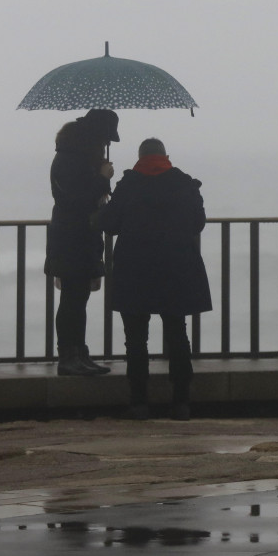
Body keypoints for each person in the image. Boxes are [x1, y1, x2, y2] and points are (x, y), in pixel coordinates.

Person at [96, 138, 211, 420]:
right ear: (165, 156)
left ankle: (138, 403)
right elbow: (198, 223)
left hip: (135, 269)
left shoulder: (129, 184)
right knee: (177, 334)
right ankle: (181, 403)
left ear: (140, 157)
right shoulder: (184, 183)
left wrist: (105, 193)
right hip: (176, 268)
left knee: (135, 339)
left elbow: (109, 225)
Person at [44, 108, 119, 376]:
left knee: (79, 297)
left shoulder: (77, 158)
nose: (107, 145)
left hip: (81, 237)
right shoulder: (67, 160)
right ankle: (68, 357)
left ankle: (79, 353)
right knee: (72, 299)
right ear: (94, 137)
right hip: (71, 237)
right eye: (105, 139)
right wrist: (102, 178)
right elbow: (76, 200)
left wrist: (100, 176)